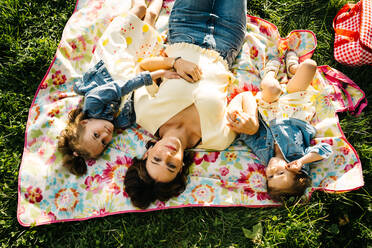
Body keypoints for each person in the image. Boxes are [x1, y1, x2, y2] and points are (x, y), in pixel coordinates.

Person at [123, 0, 259, 209]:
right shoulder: (217, 139)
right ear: (181, 167)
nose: (167, 154)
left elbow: (142, 67)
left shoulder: (145, 114)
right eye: (170, 165)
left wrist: (175, 62)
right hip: (227, 40)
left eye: (157, 159)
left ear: (147, 153)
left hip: (186, 27)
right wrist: (252, 122)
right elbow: (244, 99)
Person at [57, 0, 178, 175]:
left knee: (140, 9)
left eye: (96, 135)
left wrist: (155, 75)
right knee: (150, 17)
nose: (105, 136)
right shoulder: (121, 121)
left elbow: (120, 88)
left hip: (116, 53)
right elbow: (141, 105)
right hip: (135, 62)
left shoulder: (93, 103)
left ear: (85, 122)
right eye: (104, 142)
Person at [230, 51, 333, 202]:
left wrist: (239, 124)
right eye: (280, 173)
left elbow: (248, 134)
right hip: (295, 108)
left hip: (269, 108)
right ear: (296, 171)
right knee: (310, 66)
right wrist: (302, 161)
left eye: (270, 176)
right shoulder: (299, 156)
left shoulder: (263, 154)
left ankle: (270, 71)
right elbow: (325, 149)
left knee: (272, 88)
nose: (272, 170)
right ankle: (292, 68)